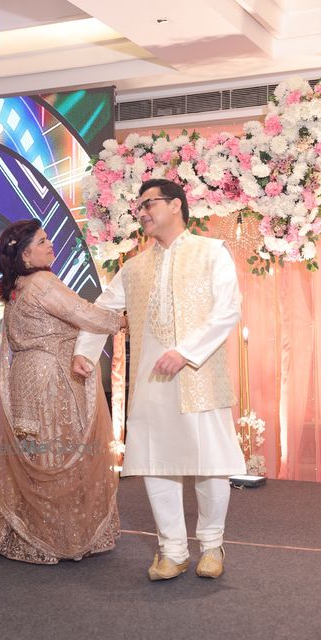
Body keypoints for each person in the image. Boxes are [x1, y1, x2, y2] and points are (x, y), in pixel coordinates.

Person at [73, 178, 246, 581]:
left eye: (149, 204)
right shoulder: (134, 267)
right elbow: (103, 310)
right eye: (140, 208)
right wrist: (84, 350)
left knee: (210, 464)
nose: (143, 213)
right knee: (157, 464)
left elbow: (228, 309)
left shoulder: (211, 252)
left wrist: (186, 352)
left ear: (176, 205)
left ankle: (212, 546)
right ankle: (173, 551)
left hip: (200, 375)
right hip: (152, 381)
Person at [0, 219, 125, 565]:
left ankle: (28, 533)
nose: (50, 244)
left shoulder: (18, 286)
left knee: (35, 453)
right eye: (42, 242)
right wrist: (124, 322)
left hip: (25, 377)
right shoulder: (43, 282)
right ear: (26, 256)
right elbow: (83, 314)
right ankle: (56, 537)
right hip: (50, 379)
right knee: (58, 452)